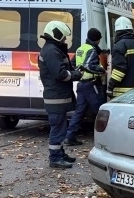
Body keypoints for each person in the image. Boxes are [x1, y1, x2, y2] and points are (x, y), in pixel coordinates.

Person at [38, 21, 82, 169]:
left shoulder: (53, 49)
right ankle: (55, 158)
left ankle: (60, 153)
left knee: (61, 128)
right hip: (55, 98)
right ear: (56, 34)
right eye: (63, 37)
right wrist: (76, 74)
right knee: (58, 128)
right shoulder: (52, 51)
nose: (64, 40)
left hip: (57, 97)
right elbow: (60, 74)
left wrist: (73, 70)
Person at [64, 27, 106, 146]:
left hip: (81, 84)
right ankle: (105, 138)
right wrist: (102, 70)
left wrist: (78, 73)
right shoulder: (92, 50)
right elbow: (89, 65)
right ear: (97, 39)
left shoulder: (80, 49)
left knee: (79, 112)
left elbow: (72, 64)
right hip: (91, 84)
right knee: (101, 111)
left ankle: (70, 136)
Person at [108, 17, 134, 98]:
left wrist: (110, 86)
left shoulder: (118, 46)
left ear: (117, 32)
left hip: (123, 94)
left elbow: (119, 70)